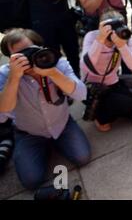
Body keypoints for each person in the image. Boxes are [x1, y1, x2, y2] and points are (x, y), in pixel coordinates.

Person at [0, 28, 90, 190]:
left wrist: (52, 73)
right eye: (20, 56)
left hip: (62, 124)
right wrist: (14, 77)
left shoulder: (56, 62)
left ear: (40, 48)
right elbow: (2, 114)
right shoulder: (5, 74)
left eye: (30, 51)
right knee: (31, 181)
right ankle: (37, 149)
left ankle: (47, 148)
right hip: (28, 133)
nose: (26, 59)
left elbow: (82, 94)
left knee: (83, 157)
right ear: (10, 59)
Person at [80, 9, 132, 132]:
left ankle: (106, 109)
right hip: (93, 88)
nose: (114, 31)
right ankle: (99, 115)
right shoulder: (92, 36)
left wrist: (122, 46)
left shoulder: (125, 37)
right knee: (120, 107)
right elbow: (85, 66)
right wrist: (100, 41)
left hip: (113, 83)